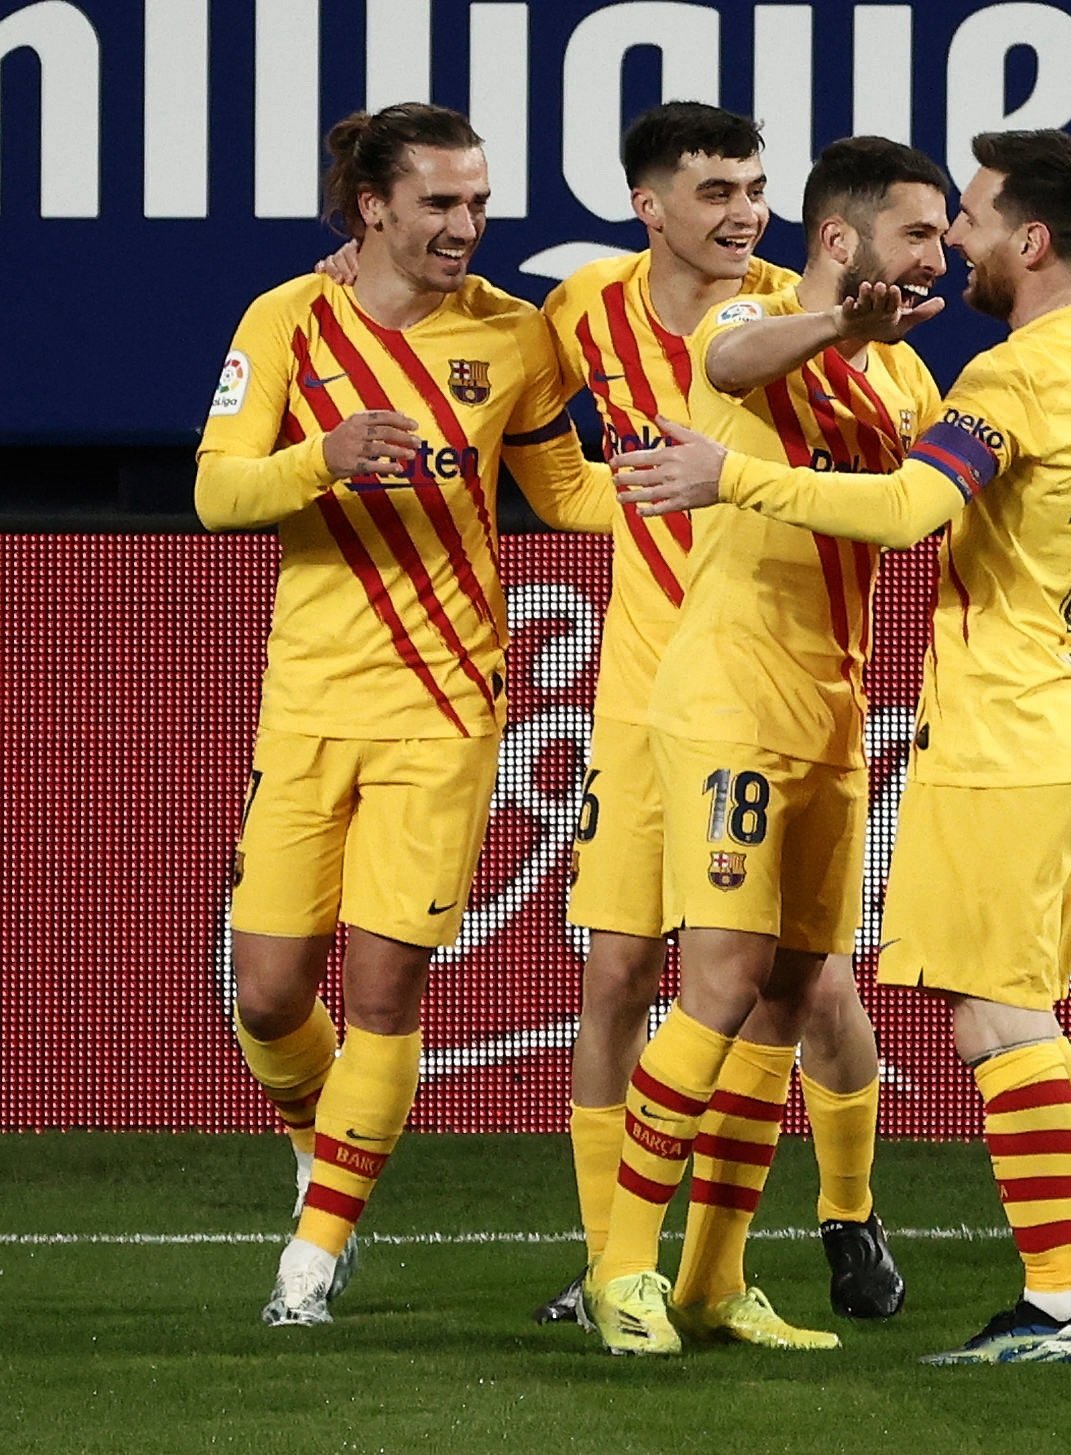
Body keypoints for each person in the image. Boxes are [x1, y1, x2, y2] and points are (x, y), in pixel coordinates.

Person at [614, 128, 1071, 1363]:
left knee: (992, 1018)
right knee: (1036, 1015)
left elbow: (911, 511)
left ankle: (1057, 1300)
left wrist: (727, 483)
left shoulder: (1001, 384)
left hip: (1004, 735)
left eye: (966, 218)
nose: (952, 239)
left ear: (1024, 239)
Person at [315, 102, 909, 1326]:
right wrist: (345, 274)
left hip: (779, 677)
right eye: (714, 191)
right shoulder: (584, 311)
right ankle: (609, 1264)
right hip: (651, 690)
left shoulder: (805, 332)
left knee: (799, 984)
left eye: (754, 187)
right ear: (650, 208)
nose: (742, 211)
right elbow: (464, 351)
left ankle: (805, 1230)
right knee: (622, 974)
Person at [196, 102, 613, 1327]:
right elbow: (219, 493)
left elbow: (567, 493)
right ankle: (321, 1148)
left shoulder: (518, 338)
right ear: (372, 207)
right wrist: (323, 458)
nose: (465, 225)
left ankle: (310, 1264)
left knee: (383, 992)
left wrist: (706, 499)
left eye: (478, 202)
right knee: (268, 995)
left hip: (447, 706)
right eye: (439, 202)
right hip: (310, 700)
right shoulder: (287, 320)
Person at [584, 135, 952, 1356]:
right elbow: (733, 361)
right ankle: (622, 1270)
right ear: (842, 245)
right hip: (730, 699)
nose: (937, 255)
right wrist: (839, 325)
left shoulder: (904, 380)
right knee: (720, 980)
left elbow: (944, 501)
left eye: (945, 235)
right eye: (918, 234)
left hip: (837, 715)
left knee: (791, 994)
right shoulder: (749, 322)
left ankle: (712, 1280)